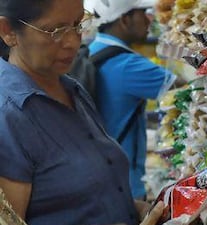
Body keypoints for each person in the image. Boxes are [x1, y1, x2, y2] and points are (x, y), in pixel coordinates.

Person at [0, 0, 165, 224]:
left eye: (78, 24)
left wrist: (134, 209)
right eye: (55, 31)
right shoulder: (8, 116)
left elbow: (83, 198)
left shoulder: (72, 88)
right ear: (8, 32)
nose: (72, 42)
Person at [87, 0, 176, 200]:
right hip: (126, 186)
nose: (149, 19)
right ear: (125, 20)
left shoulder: (92, 50)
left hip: (100, 177)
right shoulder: (127, 64)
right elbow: (188, 88)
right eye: (143, 13)